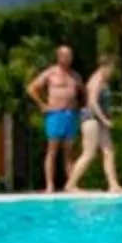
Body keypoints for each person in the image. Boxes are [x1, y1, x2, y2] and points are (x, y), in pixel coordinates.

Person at [23, 45, 81, 192]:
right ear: (59, 57)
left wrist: (79, 107)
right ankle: (49, 184)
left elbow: (84, 92)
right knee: (52, 150)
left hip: (70, 114)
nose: (68, 59)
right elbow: (31, 88)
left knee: (69, 152)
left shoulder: (75, 75)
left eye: (70, 55)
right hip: (55, 114)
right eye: (65, 56)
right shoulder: (50, 73)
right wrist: (42, 104)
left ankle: (71, 184)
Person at [65, 59, 122, 195]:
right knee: (89, 153)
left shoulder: (103, 80)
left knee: (109, 151)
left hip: (99, 120)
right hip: (91, 119)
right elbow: (92, 102)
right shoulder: (96, 80)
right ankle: (70, 185)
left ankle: (113, 185)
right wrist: (105, 119)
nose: (112, 72)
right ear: (105, 66)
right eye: (111, 69)